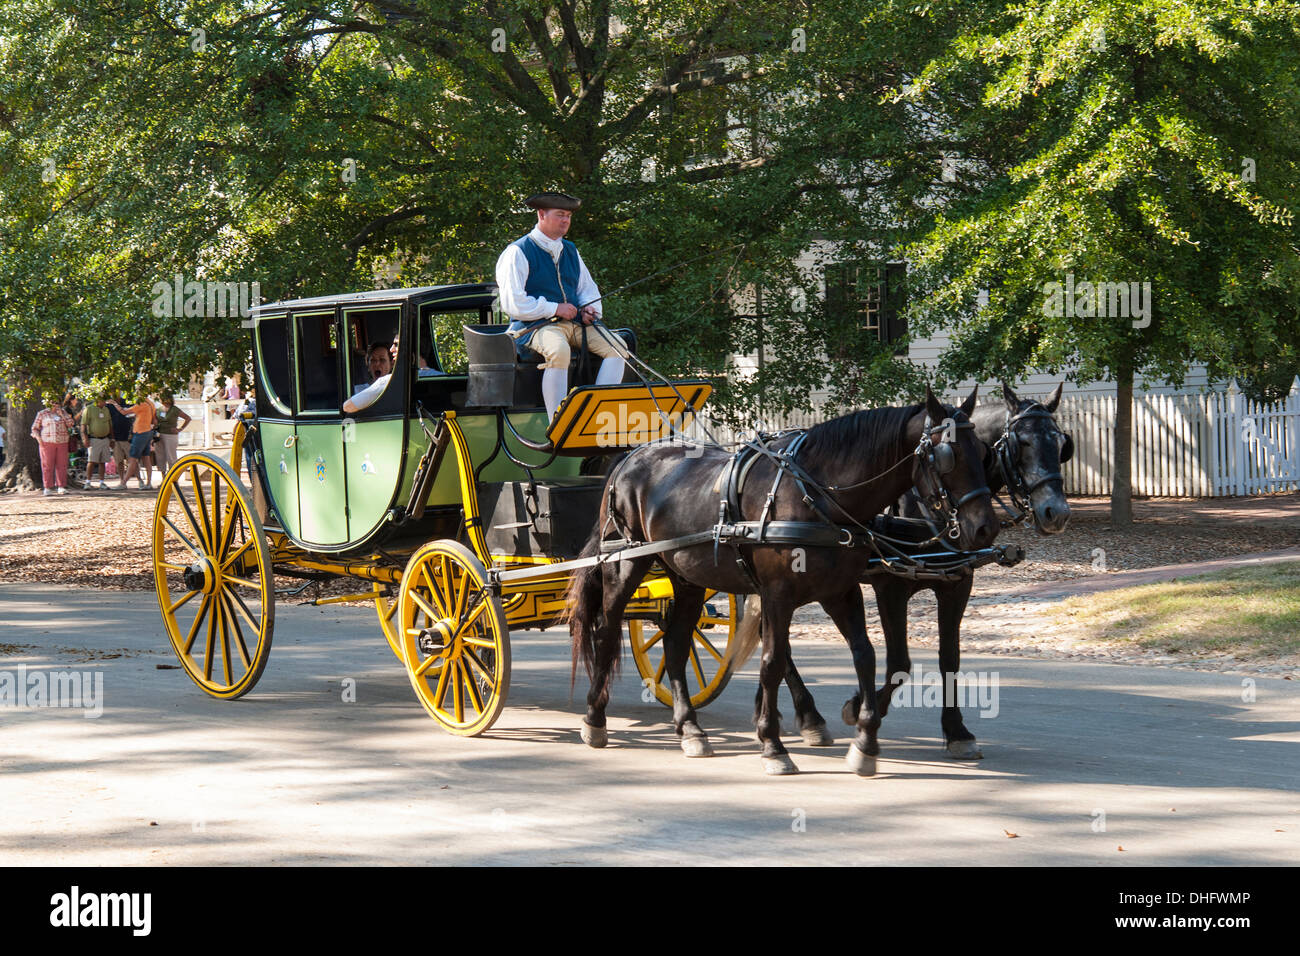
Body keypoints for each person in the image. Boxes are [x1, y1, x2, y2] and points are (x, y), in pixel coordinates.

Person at [495, 191, 628, 420]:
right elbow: (513, 302)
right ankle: (557, 421)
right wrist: (555, 308)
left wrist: (589, 309)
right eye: (560, 215)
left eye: (568, 216)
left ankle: (598, 414)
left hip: (574, 324)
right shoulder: (518, 251)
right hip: (535, 326)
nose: (565, 220)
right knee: (558, 351)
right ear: (541, 215)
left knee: (618, 346)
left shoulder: (571, 250)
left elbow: (586, 289)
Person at [108, 393, 157, 491]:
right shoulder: (150, 403)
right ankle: (148, 483)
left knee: (133, 459)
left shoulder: (141, 404)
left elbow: (124, 412)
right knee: (146, 458)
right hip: (148, 432)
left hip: (140, 433)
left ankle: (123, 483)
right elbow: (154, 420)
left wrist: (114, 403)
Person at [30, 395, 75, 495]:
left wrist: (62, 415)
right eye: (53, 402)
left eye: (57, 403)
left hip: (62, 442)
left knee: (62, 465)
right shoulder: (42, 413)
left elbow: (71, 424)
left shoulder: (64, 412)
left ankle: (61, 486)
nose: (55, 405)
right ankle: (47, 487)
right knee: (47, 465)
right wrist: (38, 439)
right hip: (47, 442)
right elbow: (34, 428)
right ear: (48, 403)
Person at [77, 394, 115, 490]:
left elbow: (110, 425)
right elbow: (83, 425)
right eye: (103, 401)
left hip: (105, 439)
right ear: (98, 400)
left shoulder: (106, 410)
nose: (104, 403)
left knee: (103, 461)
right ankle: (88, 482)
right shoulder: (89, 409)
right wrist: (84, 438)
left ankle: (102, 482)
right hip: (94, 438)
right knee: (92, 461)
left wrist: (112, 439)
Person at [153, 392, 192, 478]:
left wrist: (180, 429)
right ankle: (164, 479)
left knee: (171, 456)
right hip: (159, 435)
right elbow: (155, 422)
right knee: (160, 456)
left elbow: (188, 418)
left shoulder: (174, 409)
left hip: (171, 435)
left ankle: (172, 477)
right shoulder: (158, 410)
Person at [106, 393, 132, 481]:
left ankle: (140, 480)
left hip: (127, 437)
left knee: (132, 461)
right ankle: (122, 480)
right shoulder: (108, 405)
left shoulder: (127, 402)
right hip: (116, 437)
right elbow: (108, 421)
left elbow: (132, 415)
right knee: (119, 461)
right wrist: (111, 438)